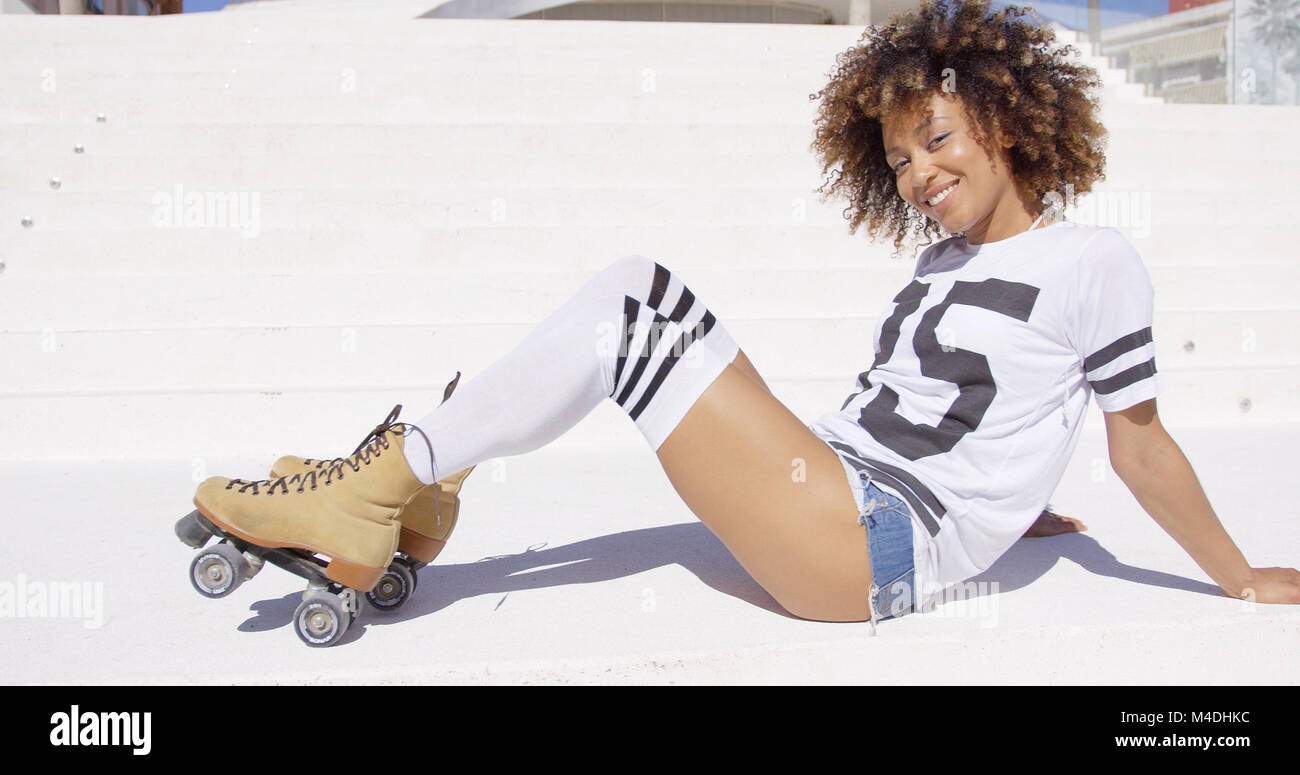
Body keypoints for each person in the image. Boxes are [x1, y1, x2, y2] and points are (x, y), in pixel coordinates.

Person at [189, 0, 1300, 631]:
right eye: (900, 157)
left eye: (940, 141)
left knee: (636, 300)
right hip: (835, 494)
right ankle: (410, 493)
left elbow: (1138, 444)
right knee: (616, 322)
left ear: (1007, 124)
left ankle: (377, 487)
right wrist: (1019, 507)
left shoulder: (1095, 258)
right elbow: (995, 404)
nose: (918, 172)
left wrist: (1237, 573)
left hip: (864, 542)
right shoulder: (942, 267)